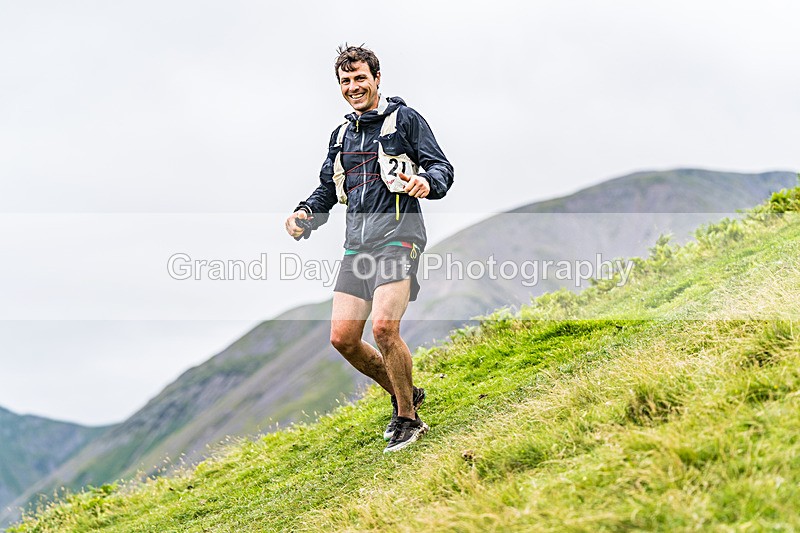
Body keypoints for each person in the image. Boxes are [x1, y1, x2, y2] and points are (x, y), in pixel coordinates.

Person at [284, 45, 454, 453]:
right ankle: (405, 392)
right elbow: (327, 189)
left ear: (377, 78)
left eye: (360, 78)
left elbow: (441, 167)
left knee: (383, 328)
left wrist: (427, 182)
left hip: (400, 235)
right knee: (343, 338)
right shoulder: (341, 135)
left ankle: (408, 420)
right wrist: (305, 212)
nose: (353, 87)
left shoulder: (404, 120)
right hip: (357, 246)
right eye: (345, 81)